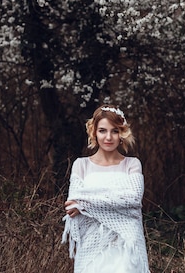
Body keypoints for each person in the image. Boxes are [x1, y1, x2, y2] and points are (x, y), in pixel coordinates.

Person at [62, 105, 150, 273]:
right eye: (102, 131)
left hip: (126, 246)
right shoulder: (81, 165)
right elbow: (73, 206)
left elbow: (133, 199)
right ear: (94, 132)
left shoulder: (132, 164)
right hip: (92, 247)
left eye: (115, 131)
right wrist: (116, 202)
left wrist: (86, 203)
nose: (108, 137)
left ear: (122, 134)